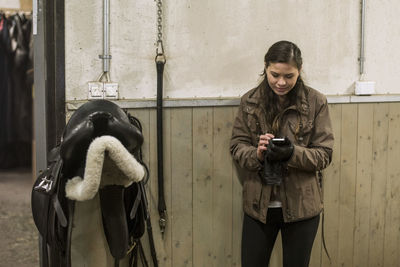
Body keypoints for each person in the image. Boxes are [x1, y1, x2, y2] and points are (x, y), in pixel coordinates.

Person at [230, 40, 334, 267]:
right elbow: (237, 146)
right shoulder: (249, 101)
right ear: (265, 67)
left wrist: (292, 153)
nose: (281, 82)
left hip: (302, 208)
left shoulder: (317, 102)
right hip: (258, 207)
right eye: (274, 74)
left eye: (289, 76)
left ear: (299, 71)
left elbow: (325, 154)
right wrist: (257, 153)